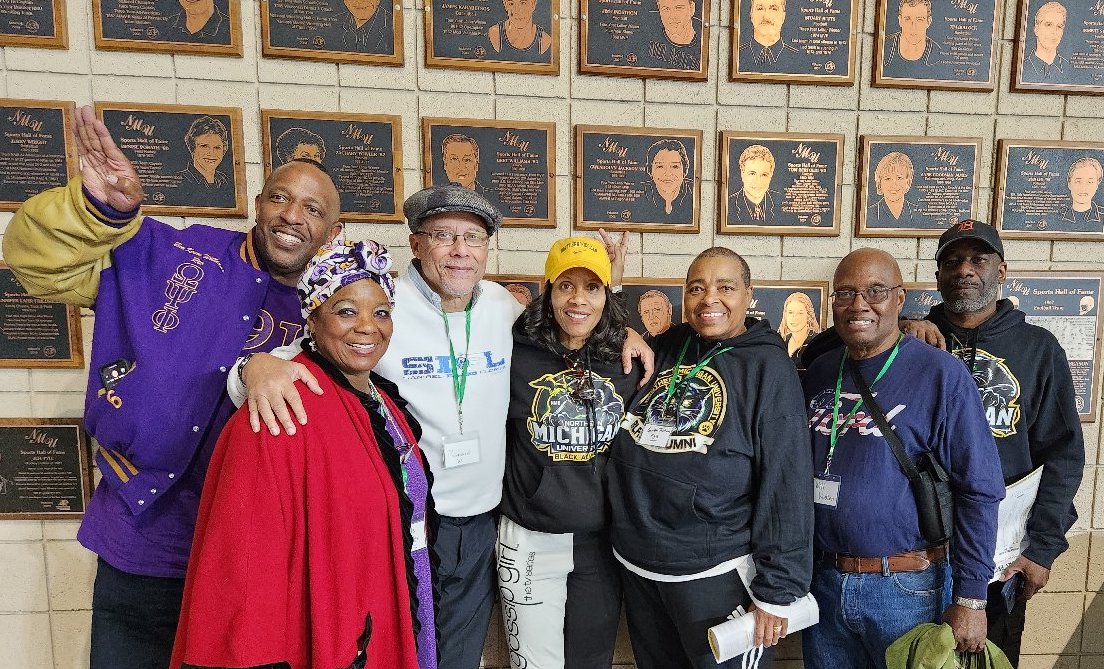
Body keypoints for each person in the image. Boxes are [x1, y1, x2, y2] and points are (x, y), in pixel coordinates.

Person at [231, 193, 653, 669]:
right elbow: (309, 355)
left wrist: (623, 322)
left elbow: (573, 329)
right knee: (393, 648)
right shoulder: (383, 304)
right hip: (405, 520)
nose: (460, 250)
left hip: (480, 522)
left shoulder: (502, 308)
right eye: (444, 236)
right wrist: (253, 368)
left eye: (473, 237)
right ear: (416, 243)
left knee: (458, 655)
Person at [2, 105, 344, 668]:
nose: (291, 216)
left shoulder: (335, 315)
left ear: (333, 232)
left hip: (251, 556)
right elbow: (38, 265)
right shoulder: (169, 255)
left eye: (313, 209)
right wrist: (100, 214)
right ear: (257, 204)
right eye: (280, 198)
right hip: (144, 538)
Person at [171, 241, 437, 669]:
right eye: (346, 311)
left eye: (381, 311)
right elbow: (242, 566)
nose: (367, 327)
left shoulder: (381, 400)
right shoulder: (283, 406)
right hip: (339, 637)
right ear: (312, 318)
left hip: (393, 610)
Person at [608, 247, 814, 669]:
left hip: (716, 574)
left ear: (748, 294)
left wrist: (778, 589)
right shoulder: (669, 345)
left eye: (725, 287)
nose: (709, 299)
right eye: (697, 288)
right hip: (641, 564)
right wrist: (618, 311)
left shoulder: (767, 366)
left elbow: (787, 479)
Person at [802, 248, 1004, 667]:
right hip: (823, 584)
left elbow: (979, 489)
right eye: (845, 293)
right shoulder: (820, 371)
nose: (859, 304)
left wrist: (971, 598)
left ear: (900, 298)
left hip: (908, 589)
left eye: (876, 291)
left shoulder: (941, 376)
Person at [900, 220, 1085, 666]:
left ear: (1001, 272)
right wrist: (903, 324)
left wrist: (1042, 549)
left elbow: (1062, 455)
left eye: (978, 260)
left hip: (998, 557)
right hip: (914, 554)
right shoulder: (905, 341)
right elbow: (827, 350)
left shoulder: (1038, 349)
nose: (965, 270)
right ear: (938, 274)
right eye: (952, 261)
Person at [498, 236, 641, 669]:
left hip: (600, 545)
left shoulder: (627, 359)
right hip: (530, 537)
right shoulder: (513, 351)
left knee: (591, 662)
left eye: (592, 287)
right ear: (548, 290)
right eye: (566, 285)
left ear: (606, 295)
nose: (578, 299)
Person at [642, 138, 694, 221]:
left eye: (675, 166)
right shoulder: (639, 193)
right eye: (660, 166)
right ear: (650, 170)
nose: (668, 173)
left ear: (684, 170)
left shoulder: (694, 192)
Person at [729, 144, 779, 225]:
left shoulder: (782, 201)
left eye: (764, 175)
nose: (758, 181)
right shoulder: (728, 204)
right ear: (742, 173)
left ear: (771, 175)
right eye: (752, 173)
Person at [867, 151, 919, 228]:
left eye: (899, 178)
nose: (894, 184)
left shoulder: (918, 212)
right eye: (887, 178)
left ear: (908, 182)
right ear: (879, 183)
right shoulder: (869, 213)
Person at [739, 0, 798, 65]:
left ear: (783, 16)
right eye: (760, 8)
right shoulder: (737, 55)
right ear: (751, 15)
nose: (766, 17)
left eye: (773, 9)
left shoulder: (799, 59)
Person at [178, 116, 230, 189]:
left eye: (217, 147)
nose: (212, 153)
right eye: (204, 146)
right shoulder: (179, 180)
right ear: (193, 148)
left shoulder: (225, 181)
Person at [488, 0, 552, 57]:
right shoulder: (495, 33)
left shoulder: (544, 39)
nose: (517, 11)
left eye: (523, 3)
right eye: (511, 3)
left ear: (533, 4)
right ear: (505, 5)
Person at [885, 0, 940, 67]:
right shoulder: (884, 47)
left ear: (928, 22)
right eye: (908, 19)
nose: (913, 27)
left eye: (919, 20)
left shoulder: (938, 54)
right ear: (900, 21)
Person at [1059, 157, 1104, 232]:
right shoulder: (1056, 216)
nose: (1083, 188)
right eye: (1078, 181)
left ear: (1097, 185)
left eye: (1090, 182)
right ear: (1069, 184)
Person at [777, 291, 820, 366]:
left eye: (800, 313)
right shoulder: (781, 342)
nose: (794, 318)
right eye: (790, 312)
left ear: (808, 316)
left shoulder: (816, 343)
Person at [1027, 2, 1067, 79]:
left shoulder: (1069, 68)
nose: (1054, 31)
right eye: (1048, 24)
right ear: (1036, 29)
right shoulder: (1022, 66)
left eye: (1059, 26)